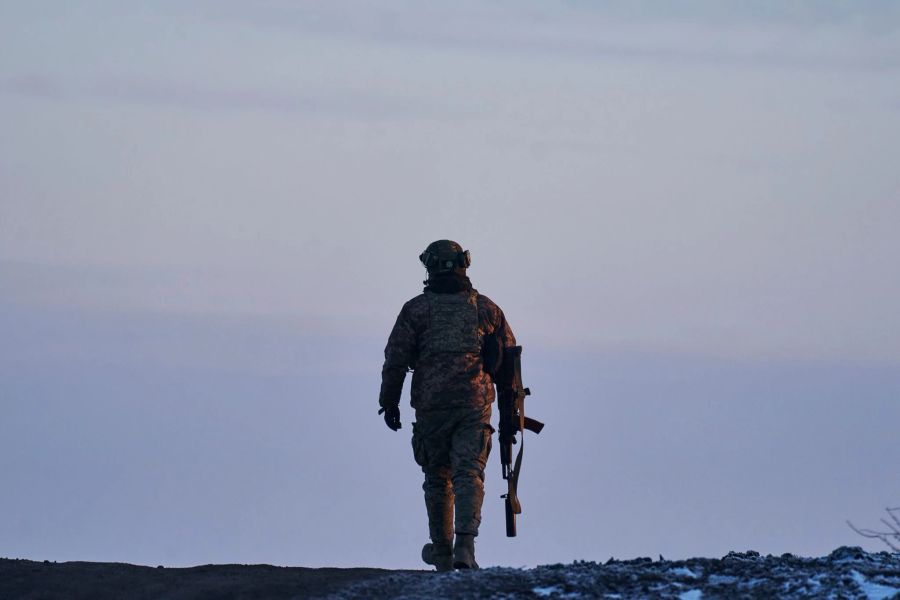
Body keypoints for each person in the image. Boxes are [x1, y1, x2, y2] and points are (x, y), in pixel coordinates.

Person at [378, 240, 517, 571]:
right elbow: (510, 362)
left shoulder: (415, 310)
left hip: (432, 406)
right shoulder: (486, 310)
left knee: (438, 476)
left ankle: (442, 551)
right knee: (469, 471)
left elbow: (395, 359)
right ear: (464, 265)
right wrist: (510, 412)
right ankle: (465, 547)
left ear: (428, 266)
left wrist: (389, 401)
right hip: (474, 403)